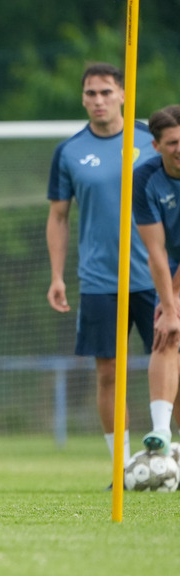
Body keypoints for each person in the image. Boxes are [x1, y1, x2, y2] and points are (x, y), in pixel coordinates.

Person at [46, 62, 157, 480]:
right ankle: (122, 466)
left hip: (156, 277)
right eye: (91, 93)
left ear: (123, 95)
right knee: (108, 372)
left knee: (172, 367)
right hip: (99, 281)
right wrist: (57, 276)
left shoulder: (152, 141)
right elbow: (58, 217)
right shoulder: (70, 152)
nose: (98, 101)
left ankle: (171, 452)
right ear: (82, 99)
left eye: (106, 92)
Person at [132, 104, 180, 454]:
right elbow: (155, 250)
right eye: (173, 142)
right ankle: (161, 433)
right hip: (170, 265)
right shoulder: (144, 179)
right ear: (156, 145)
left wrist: (172, 301)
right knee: (167, 334)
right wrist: (168, 307)